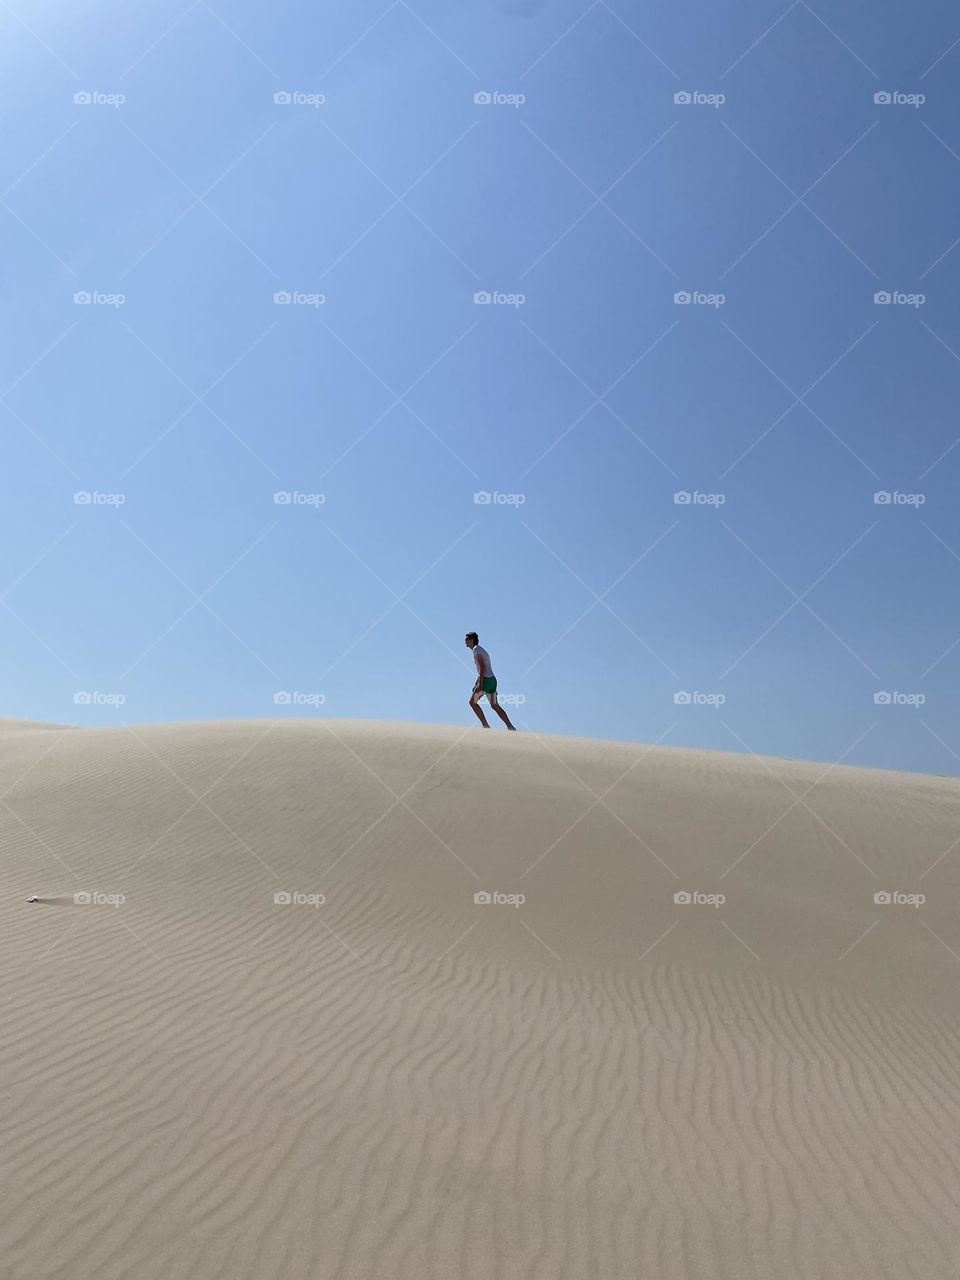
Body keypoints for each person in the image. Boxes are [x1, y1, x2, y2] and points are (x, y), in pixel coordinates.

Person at [464, 632, 516, 729]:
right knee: (495, 705)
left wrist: (480, 684)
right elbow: (482, 668)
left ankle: (485, 725)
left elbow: (482, 667)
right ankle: (510, 726)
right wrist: (477, 681)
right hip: (492, 679)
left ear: (471, 640)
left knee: (472, 702)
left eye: (466, 639)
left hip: (486, 680)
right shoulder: (479, 649)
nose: (465, 641)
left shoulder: (476, 650)